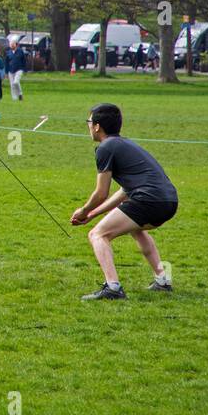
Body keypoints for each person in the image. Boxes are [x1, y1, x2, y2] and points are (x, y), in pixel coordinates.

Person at [71, 103, 177, 300]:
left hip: (149, 199)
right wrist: (92, 214)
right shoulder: (124, 144)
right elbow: (123, 192)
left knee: (98, 235)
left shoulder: (105, 148)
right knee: (136, 229)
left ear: (97, 126)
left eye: (89, 121)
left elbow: (101, 193)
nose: (88, 126)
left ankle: (113, 287)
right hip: (168, 200)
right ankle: (162, 280)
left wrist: (84, 211)